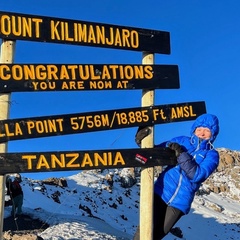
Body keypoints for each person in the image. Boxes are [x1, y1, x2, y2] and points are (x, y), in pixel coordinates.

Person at [134, 113, 220, 239]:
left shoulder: (212, 155)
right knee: (143, 231)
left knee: (156, 235)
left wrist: (181, 154)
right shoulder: (182, 141)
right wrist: (142, 141)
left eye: (207, 130)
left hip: (180, 202)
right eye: (199, 129)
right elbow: (155, 153)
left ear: (213, 134)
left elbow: (197, 175)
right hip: (160, 192)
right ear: (194, 129)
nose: (202, 133)